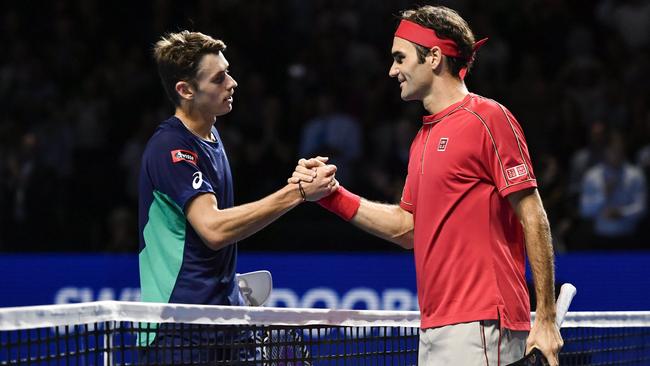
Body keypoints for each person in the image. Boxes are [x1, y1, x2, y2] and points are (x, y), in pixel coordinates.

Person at [291, 5, 563, 365]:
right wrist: (333, 196)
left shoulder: (488, 118)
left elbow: (533, 215)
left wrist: (544, 318)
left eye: (400, 58)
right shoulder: (422, 138)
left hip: (483, 323)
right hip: (435, 327)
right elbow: (408, 228)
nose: (392, 71)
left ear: (433, 57)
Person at [138, 30, 337, 363]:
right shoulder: (171, 147)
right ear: (185, 90)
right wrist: (297, 192)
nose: (232, 83)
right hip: (178, 333)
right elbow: (214, 230)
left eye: (228, 72)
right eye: (218, 78)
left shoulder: (211, 134)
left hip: (225, 325)